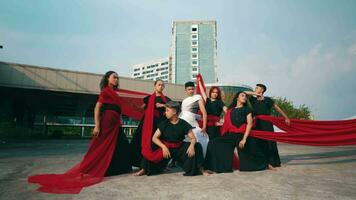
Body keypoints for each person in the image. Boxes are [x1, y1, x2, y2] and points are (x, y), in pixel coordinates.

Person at [28, 71, 131, 194]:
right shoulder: (105, 91)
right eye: (114, 77)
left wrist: (119, 120)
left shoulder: (115, 93)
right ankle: (95, 168)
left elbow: (118, 110)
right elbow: (97, 107)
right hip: (107, 124)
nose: (116, 79)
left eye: (117, 78)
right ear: (107, 79)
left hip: (115, 125)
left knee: (121, 145)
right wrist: (97, 125)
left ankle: (117, 169)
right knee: (100, 147)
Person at [133, 101, 206, 176]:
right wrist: (163, 147)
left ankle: (200, 169)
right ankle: (144, 169)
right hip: (166, 149)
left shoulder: (183, 123)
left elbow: (193, 138)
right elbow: (154, 138)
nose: (165, 112)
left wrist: (191, 146)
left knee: (197, 146)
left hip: (179, 148)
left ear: (174, 111)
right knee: (150, 146)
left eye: (167, 110)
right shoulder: (164, 123)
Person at [204, 91, 268, 173]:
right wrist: (219, 122)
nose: (244, 97)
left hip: (242, 135)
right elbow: (226, 122)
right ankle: (216, 168)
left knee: (246, 165)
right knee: (213, 143)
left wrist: (244, 139)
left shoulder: (247, 109)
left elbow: (249, 124)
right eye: (242, 95)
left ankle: (265, 165)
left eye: (245, 96)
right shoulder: (231, 110)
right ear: (237, 98)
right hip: (231, 135)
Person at [245, 84, 290, 168]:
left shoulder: (268, 100)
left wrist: (286, 117)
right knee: (258, 142)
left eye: (257, 88)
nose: (255, 89)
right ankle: (262, 162)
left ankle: (273, 162)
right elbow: (244, 93)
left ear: (262, 90)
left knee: (270, 141)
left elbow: (277, 108)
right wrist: (255, 93)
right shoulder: (253, 100)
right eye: (255, 88)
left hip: (267, 123)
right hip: (257, 123)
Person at [130, 80, 171, 167]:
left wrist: (163, 105)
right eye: (159, 85)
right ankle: (142, 165)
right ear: (155, 86)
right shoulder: (148, 98)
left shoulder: (166, 99)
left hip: (159, 124)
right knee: (141, 141)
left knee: (157, 143)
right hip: (147, 123)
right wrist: (134, 107)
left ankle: (157, 165)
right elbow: (142, 108)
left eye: (163, 85)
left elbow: (173, 107)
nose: (161, 86)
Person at [180, 81, 209, 157]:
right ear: (185, 90)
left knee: (198, 141)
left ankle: (199, 163)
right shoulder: (184, 101)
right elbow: (184, 113)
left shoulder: (198, 97)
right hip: (183, 124)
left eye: (192, 89)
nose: (191, 91)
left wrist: (204, 126)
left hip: (193, 124)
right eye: (189, 89)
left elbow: (204, 112)